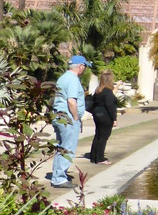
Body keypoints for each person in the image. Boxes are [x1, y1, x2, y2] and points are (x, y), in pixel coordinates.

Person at [50, 55, 90, 188]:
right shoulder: (73, 80)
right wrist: (76, 118)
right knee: (68, 148)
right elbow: (71, 101)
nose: (84, 70)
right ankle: (59, 178)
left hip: (59, 116)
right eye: (84, 67)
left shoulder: (63, 78)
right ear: (81, 66)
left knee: (61, 147)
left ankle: (58, 175)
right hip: (68, 118)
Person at [89, 69, 119, 165]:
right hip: (105, 116)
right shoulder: (108, 92)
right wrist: (114, 119)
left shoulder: (98, 91)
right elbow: (110, 106)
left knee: (98, 135)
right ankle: (100, 158)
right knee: (103, 137)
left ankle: (94, 156)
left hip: (97, 114)